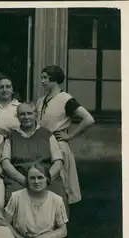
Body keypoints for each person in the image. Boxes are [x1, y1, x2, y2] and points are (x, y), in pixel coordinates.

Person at [5, 164, 114, 238]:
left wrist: (44, 237)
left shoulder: (56, 200)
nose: (36, 181)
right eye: (32, 178)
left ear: (47, 179)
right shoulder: (16, 197)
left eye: (40, 177)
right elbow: (5, 224)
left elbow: (63, 230)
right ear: (27, 180)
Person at [37, 65, 95, 205]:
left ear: (55, 79)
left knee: (60, 184)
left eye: (45, 78)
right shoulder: (41, 100)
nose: (42, 81)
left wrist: (70, 136)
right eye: (42, 78)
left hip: (58, 146)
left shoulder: (66, 99)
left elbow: (88, 119)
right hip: (43, 146)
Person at [1, 102, 68, 208]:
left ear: (36, 115)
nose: (26, 117)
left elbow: (58, 162)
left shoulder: (47, 134)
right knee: (12, 198)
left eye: (29, 113)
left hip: (46, 178)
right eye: (22, 114)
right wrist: (25, 181)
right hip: (19, 179)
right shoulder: (11, 136)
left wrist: (45, 179)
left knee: (58, 198)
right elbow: (6, 163)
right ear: (17, 117)